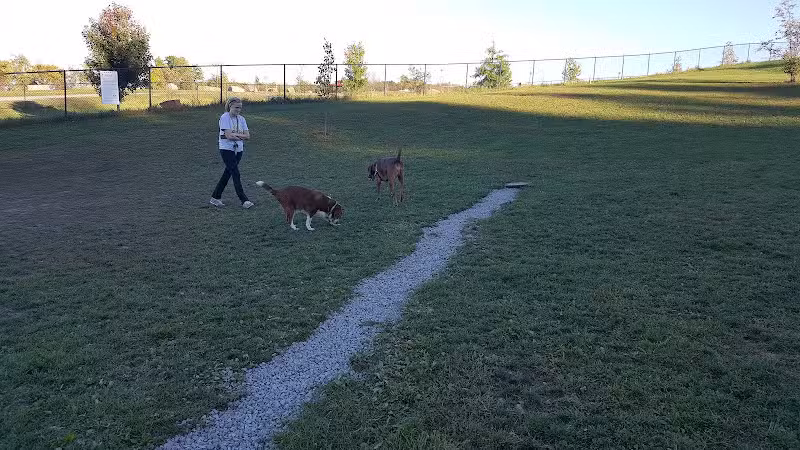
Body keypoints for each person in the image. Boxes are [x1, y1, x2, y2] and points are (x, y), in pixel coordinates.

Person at [210, 97, 254, 208]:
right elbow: (229, 136)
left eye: (240, 108)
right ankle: (244, 200)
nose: (238, 110)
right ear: (230, 106)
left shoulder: (242, 119)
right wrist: (238, 136)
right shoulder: (225, 117)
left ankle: (215, 197)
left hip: (238, 149)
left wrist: (235, 136)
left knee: (228, 173)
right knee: (235, 173)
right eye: (236, 107)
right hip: (226, 149)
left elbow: (248, 136)